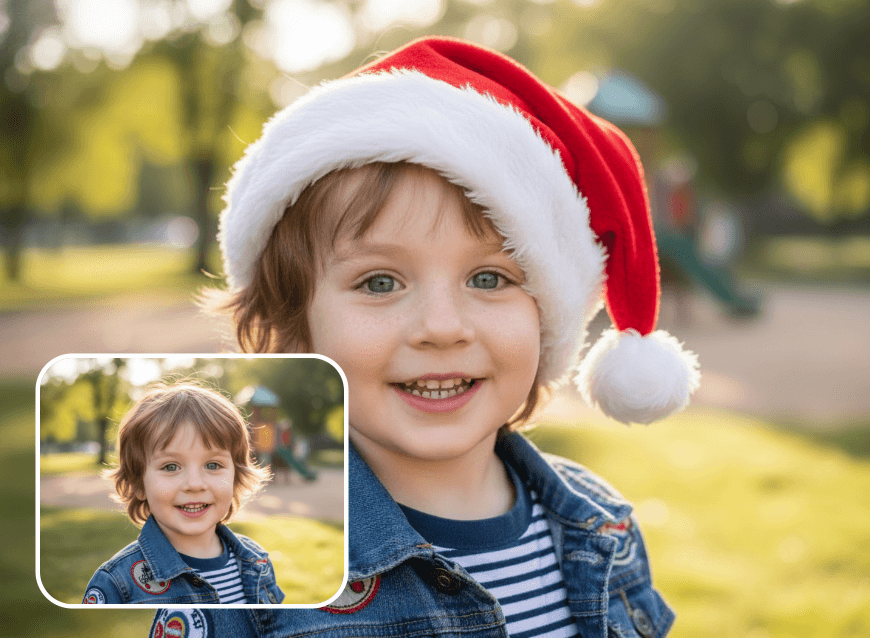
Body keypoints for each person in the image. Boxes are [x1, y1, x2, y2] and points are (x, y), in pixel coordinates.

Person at [156, 36, 700, 636]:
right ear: (295, 325)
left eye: (489, 277)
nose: (442, 327)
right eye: (380, 282)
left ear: (547, 319)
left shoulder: (603, 525)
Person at [83, 382, 282, 604]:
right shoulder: (116, 585)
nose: (194, 484)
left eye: (213, 465)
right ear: (138, 483)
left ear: (236, 476)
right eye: (170, 467)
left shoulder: (257, 562)